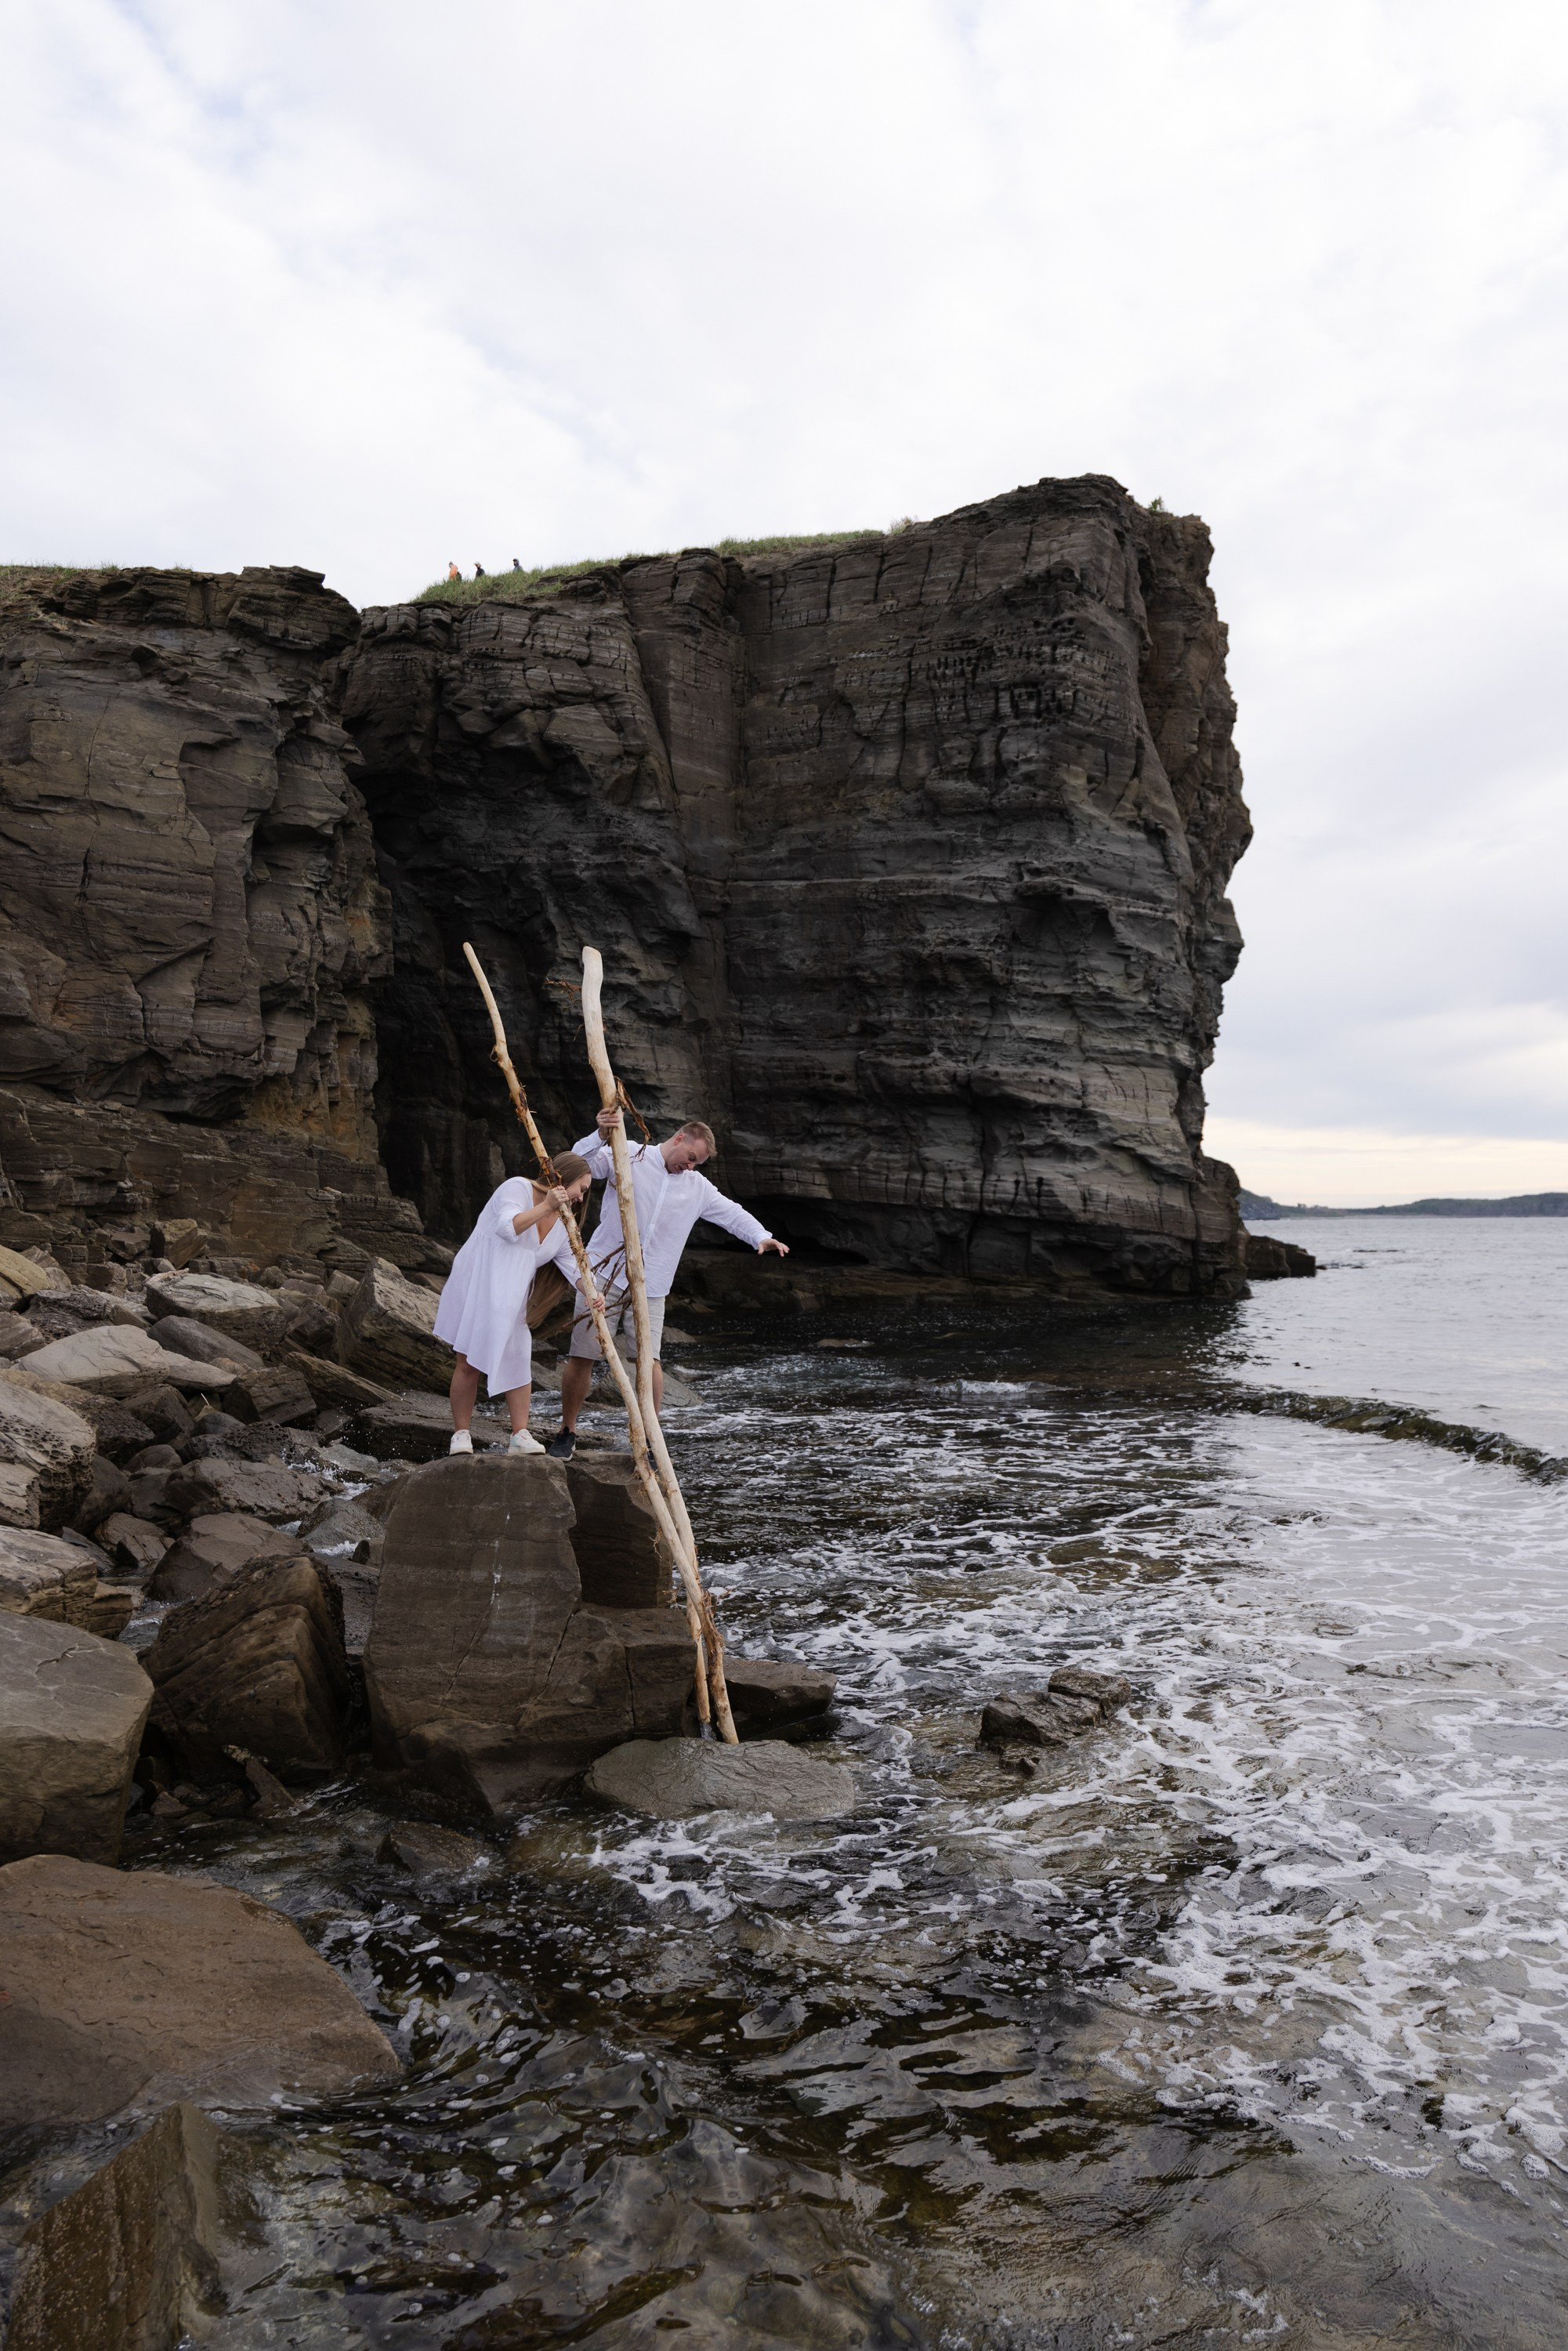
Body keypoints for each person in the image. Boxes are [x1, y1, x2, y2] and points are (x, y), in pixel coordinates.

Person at [547, 1111, 788, 1458]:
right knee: (583, 1353)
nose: (692, 1167)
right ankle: (567, 1431)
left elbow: (732, 1213)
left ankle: (649, 1437)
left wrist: (761, 1237)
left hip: (653, 1285)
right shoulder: (628, 1152)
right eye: (692, 1158)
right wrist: (600, 1134)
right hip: (603, 1274)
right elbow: (575, 1166)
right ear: (679, 1139)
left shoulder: (697, 1188)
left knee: (649, 1360)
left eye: (699, 1163)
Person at [434, 1154, 600, 1456]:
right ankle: (460, 1435)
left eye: (586, 1192)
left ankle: (519, 1435)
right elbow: (507, 1228)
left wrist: (592, 1291)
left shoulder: (565, 1224)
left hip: (513, 1294)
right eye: (582, 1187)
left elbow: (574, 1267)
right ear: (565, 1177)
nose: (581, 1195)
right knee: (468, 1360)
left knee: (518, 1357)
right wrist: (546, 1205)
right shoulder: (517, 1188)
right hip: (480, 1281)